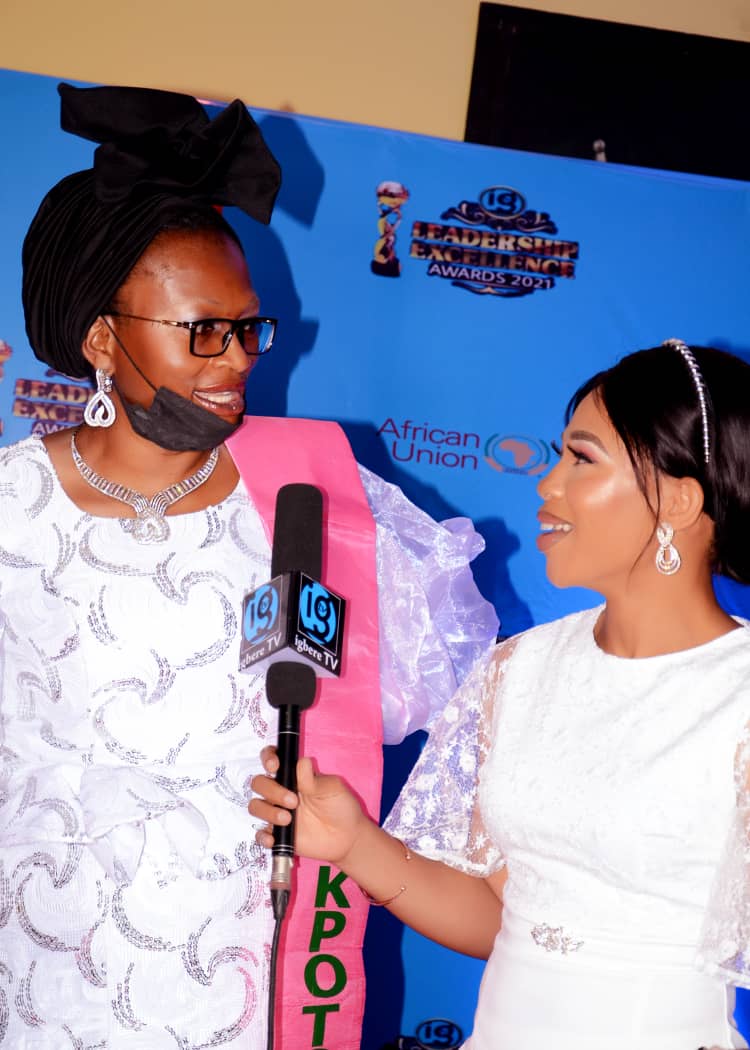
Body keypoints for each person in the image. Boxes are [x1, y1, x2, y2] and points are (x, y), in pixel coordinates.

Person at [0, 83, 498, 1048]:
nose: (236, 360)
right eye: (202, 331)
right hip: (39, 970)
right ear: (102, 339)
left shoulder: (311, 501)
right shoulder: (10, 506)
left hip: (244, 973)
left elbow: (440, 699)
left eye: (248, 328)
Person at [251, 340, 750, 1050]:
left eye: (582, 459)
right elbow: (501, 917)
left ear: (678, 498)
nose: (547, 484)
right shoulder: (519, 668)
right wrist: (356, 843)